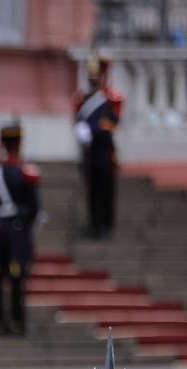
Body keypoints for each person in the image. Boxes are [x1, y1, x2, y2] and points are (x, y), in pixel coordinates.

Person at [0, 120, 41, 336]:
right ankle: (17, 321)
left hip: (0, 228)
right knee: (18, 278)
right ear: (19, 143)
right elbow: (35, 207)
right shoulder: (26, 172)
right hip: (18, 230)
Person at [73, 52, 123, 239]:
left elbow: (113, 123)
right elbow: (77, 118)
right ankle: (94, 224)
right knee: (92, 188)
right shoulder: (83, 99)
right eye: (91, 75)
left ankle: (106, 225)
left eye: (97, 74)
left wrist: (92, 131)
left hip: (105, 151)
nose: (93, 79)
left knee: (106, 188)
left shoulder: (110, 99)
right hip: (89, 152)